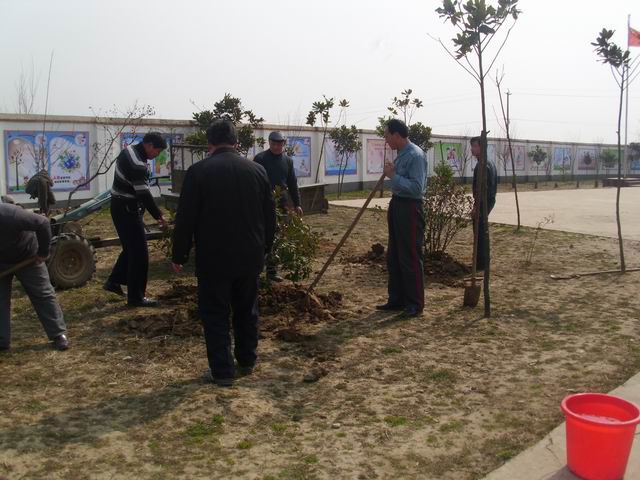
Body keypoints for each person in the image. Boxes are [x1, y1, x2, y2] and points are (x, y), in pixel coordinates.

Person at [171, 120, 276, 387]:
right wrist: (266, 247)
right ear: (236, 142)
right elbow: (269, 216)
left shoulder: (199, 172)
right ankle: (247, 360)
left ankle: (222, 372)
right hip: (250, 255)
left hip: (214, 257)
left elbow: (186, 219)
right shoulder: (257, 170)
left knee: (215, 313)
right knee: (247, 310)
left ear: (210, 143)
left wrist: (179, 254)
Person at [103, 132, 168, 307]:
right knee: (140, 254)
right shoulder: (137, 163)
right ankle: (136, 298)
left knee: (131, 248)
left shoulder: (129, 151)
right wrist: (158, 215)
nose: (157, 155)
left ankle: (114, 281)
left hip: (121, 206)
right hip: (126, 210)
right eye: (157, 151)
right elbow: (144, 193)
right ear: (149, 145)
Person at [0, 200, 69, 351]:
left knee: (43, 294)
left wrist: (43, 252)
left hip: (27, 257)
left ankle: (58, 334)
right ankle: (2, 340)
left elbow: (43, 223)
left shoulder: (10, 214)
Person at [376, 119, 427, 318]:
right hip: (397, 204)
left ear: (396, 135)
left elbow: (416, 187)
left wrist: (393, 176)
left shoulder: (415, 155)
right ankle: (396, 299)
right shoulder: (401, 154)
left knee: (410, 256)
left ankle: (414, 303)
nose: (386, 139)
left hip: (410, 208)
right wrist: (394, 173)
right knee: (394, 254)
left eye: (387, 135)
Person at [253, 131, 303, 282]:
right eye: (273, 143)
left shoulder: (287, 161)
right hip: (262, 205)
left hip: (281, 205)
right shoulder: (260, 159)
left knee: (277, 237)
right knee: (260, 237)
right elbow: (254, 182)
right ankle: (255, 270)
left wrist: (297, 204)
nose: (276, 146)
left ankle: (272, 271)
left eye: (279, 144)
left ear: (283, 144)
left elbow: (292, 183)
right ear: (269, 143)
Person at [470, 136, 498, 271]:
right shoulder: (488, 163)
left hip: (484, 203)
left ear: (482, 147)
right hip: (488, 201)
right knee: (482, 231)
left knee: (480, 232)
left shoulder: (483, 165)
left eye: (474, 146)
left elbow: (481, 189)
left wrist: (476, 207)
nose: (472, 149)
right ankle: (482, 261)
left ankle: (481, 263)